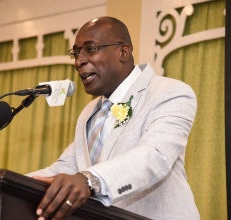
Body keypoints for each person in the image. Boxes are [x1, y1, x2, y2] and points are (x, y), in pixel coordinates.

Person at [28, 16, 200, 220]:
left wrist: (90, 180)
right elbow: (66, 167)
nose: (79, 61)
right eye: (76, 53)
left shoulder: (169, 92)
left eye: (90, 49)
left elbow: (155, 156)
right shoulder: (90, 111)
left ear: (123, 52)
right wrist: (7, 183)